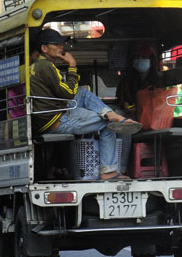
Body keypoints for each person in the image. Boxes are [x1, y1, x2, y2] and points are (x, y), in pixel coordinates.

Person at [29, 28, 142, 180]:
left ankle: (110, 113)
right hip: (55, 120)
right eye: (57, 44)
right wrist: (72, 65)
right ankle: (108, 171)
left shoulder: (39, 66)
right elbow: (68, 92)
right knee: (107, 124)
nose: (62, 47)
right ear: (44, 48)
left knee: (82, 92)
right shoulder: (45, 66)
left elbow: (69, 93)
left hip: (50, 115)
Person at [115, 42, 164, 115]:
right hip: (132, 120)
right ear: (132, 62)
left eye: (144, 57)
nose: (140, 60)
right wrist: (125, 105)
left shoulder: (159, 81)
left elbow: (162, 103)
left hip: (154, 120)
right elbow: (120, 99)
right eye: (136, 58)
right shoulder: (126, 82)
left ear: (151, 60)